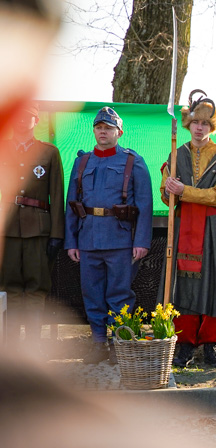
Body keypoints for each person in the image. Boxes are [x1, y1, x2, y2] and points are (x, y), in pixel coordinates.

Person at [160, 91, 216, 367]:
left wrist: (184, 190)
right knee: (182, 285)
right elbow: (164, 193)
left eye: (205, 124)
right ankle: (184, 345)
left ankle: (211, 344)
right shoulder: (175, 153)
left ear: (212, 127)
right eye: (196, 122)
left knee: (213, 284)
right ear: (188, 124)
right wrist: (168, 190)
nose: (200, 128)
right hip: (183, 227)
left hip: (213, 229)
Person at [64, 107, 153, 364]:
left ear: (119, 132)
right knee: (91, 293)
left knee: (120, 294)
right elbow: (72, 203)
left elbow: (145, 206)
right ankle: (98, 343)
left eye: (108, 128)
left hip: (121, 239)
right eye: (99, 128)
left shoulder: (132, 161)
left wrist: (141, 242)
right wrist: (71, 241)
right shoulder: (82, 162)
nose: (103, 132)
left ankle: (120, 344)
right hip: (88, 238)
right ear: (94, 131)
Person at [0, 103, 64, 344]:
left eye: (28, 117)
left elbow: (57, 195)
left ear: (36, 121)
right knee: (10, 288)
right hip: (7, 230)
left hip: (38, 230)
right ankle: (13, 348)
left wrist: (57, 233)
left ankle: (34, 347)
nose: (21, 121)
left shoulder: (49, 152)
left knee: (37, 290)